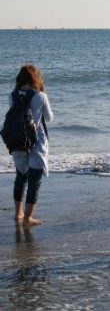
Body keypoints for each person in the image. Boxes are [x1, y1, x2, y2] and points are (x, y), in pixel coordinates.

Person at [10, 65, 54, 226]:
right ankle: (28, 218)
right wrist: (43, 91)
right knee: (34, 181)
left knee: (20, 177)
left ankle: (17, 214)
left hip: (17, 142)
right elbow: (49, 118)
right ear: (36, 78)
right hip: (36, 143)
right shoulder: (40, 96)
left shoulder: (13, 95)